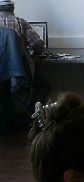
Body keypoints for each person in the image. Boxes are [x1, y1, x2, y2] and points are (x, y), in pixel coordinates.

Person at [0, 0, 50, 132]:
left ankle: (9, 118)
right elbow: (37, 45)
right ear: (12, 9)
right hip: (16, 73)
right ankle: (30, 115)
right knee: (44, 85)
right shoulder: (19, 22)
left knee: (3, 90)